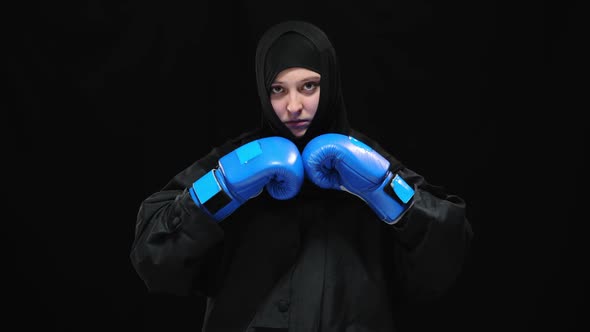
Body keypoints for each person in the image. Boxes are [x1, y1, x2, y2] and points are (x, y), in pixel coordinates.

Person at [130, 20, 474, 332]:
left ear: (330, 82)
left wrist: (384, 189)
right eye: (278, 89)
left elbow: (446, 251)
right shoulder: (237, 160)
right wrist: (222, 188)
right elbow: (153, 256)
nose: (293, 106)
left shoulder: (364, 159)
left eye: (308, 86)